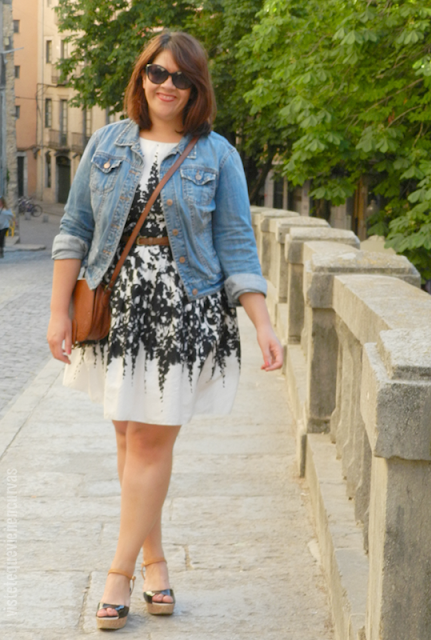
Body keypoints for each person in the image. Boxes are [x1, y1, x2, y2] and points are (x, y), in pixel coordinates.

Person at [47, 31, 283, 631]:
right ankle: (156, 564)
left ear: (196, 87)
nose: (167, 85)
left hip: (183, 310)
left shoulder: (218, 156)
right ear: (142, 77)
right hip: (115, 306)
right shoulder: (107, 142)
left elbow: (237, 244)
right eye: (157, 73)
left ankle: (118, 574)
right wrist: (57, 313)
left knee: (150, 443)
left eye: (181, 77)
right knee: (129, 438)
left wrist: (262, 324)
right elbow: (75, 228)